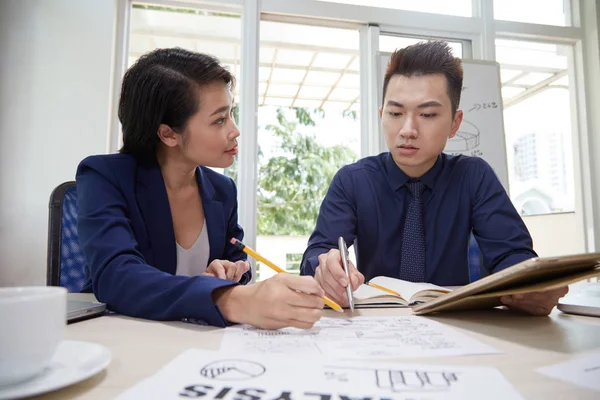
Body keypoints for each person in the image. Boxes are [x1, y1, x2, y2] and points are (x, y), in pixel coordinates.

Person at [300, 41, 567, 316]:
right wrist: (325, 268)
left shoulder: (474, 176)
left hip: (457, 323)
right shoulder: (352, 181)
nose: (407, 130)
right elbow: (318, 252)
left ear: (455, 123)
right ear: (381, 116)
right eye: (395, 113)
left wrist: (530, 284)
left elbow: (512, 254)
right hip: (374, 325)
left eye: (427, 114)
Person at [77, 48, 324, 329]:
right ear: (168, 133)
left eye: (231, 114)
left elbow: (237, 261)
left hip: (198, 341)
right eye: (219, 120)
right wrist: (231, 299)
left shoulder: (222, 190)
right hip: (125, 337)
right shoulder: (104, 176)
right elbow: (116, 277)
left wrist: (231, 272)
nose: (235, 130)